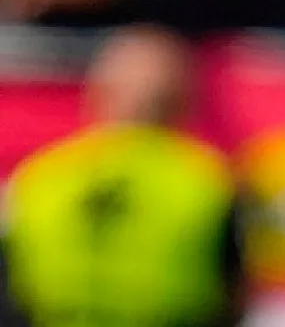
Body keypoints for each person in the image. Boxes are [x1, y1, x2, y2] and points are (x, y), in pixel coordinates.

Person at [2, 25, 244, 326]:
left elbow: (13, 293)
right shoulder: (208, 181)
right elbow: (234, 296)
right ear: (185, 102)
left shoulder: (39, 176)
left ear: (96, 94)